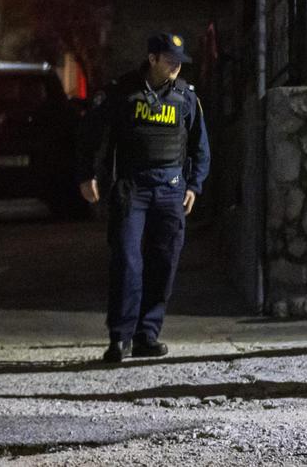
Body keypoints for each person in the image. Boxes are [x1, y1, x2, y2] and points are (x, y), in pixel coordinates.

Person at [78, 32, 211, 364]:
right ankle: (120, 337)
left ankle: (146, 335)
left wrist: (194, 186)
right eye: (170, 60)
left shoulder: (186, 96)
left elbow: (200, 146)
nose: (177, 66)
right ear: (152, 59)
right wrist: (86, 174)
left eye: (180, 61)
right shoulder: (122, 91)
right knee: (126, 261)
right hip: (132, 187)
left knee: (163, 262)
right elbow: (91, 133)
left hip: (171, 189)